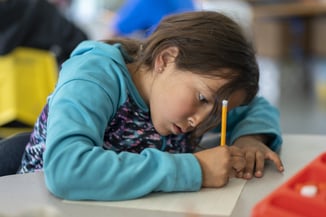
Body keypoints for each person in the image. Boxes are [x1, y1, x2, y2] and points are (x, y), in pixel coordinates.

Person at [18, 11, 284, 201]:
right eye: (202, 99)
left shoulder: (195, 94)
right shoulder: (94, 77)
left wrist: (250, 138)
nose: (201, 121)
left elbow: (256, 107)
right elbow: (67, 170)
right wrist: (196, 170)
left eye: (217, 111)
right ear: (166, 60)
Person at [109, 0, 196, 38]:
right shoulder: (188, 2)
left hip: (162, 61)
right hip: (187, 61)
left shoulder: (147, 1)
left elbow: (115, 32)